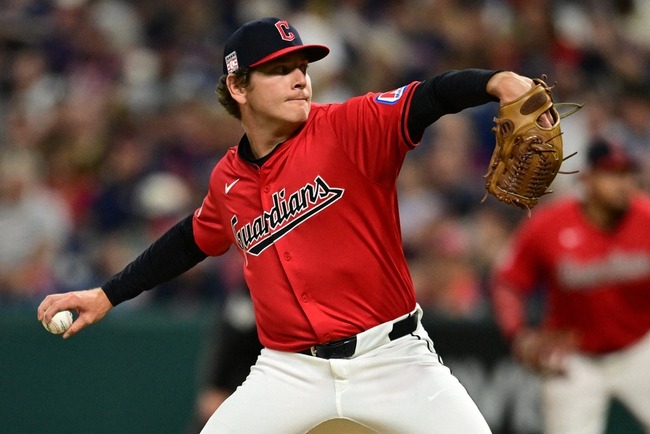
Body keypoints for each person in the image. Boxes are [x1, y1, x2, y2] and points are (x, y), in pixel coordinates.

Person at [38, 16, 550, 433]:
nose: (300, 78)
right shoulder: (227, 179)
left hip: (393, 358)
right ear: (237, 86)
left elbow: (430, 96)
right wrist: (106, 295)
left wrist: (496, 81)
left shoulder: (350, 126)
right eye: (279, 70)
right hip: (288, 370)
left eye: (302, 66)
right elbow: (190, 240)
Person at [491, 138, 650, 434]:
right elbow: (508, 282)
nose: (623, 183)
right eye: (612, 174)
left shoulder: (646, 217)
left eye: (628, 173)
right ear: (587, 179)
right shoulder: (550, 224)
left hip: (641, 348)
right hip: (574, 358)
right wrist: (519, 334)